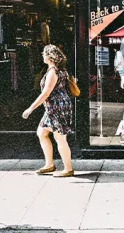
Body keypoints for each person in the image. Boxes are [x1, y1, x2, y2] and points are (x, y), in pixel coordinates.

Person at [22, 44, 75, 177]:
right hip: (54, 107)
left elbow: (45, 93)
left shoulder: (53, 72)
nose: (42, 56)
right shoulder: (60, 70)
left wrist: (31, 108)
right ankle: (49, 164)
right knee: (42, 132)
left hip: (57, 107)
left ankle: (68, 169)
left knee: (60, 137)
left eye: (44, 54)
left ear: (49, 56)